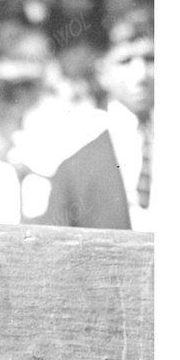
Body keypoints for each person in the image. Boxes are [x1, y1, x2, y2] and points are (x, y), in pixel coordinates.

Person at [43, 29, 154, 231]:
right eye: (125, 61)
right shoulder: (75, 158)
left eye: (151, 59)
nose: (141, 75)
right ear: (103, 72)